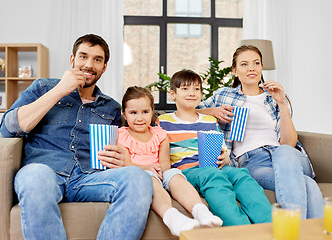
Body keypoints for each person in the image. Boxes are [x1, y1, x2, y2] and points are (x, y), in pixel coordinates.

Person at [0, 34, 153, 240]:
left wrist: (125, 160)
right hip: (46, 172)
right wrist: (61, 90)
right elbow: (8, 128)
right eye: (83, 57)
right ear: (72, 60)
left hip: (89, 178)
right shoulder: (43, 88)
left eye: (97, 60)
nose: (89, 64)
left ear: (104, 67)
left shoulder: (113, 108)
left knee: (138, 178)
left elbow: (135, 137)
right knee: (33, 176)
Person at [197, 45, 323, 219]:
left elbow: (288, 143)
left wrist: (282, 103)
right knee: (307, 184)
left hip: (287, 156)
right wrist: (213, 111)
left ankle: (291, 231)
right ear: (235, 71)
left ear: (262, 67)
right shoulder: (223, 95)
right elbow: (188, 111)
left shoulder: (274, 97)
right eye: (244, 64)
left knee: (285, 151)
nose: (251, 68)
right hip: (253, 161)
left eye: (256, 63)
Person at [157, 69, 272, 226]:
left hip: (214, 167)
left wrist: (225, 156)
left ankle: (269, 225)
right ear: (173, 94)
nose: (192, 93)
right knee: (212, 177)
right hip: (186, 172)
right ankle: (240, 229)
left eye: (196, 89)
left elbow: (221, 147)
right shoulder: (163, 121)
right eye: (185, 88)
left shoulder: (210, 120)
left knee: (242, 176)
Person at [117, 86, 223, 236]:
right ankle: (172, 217)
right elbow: (125, 163)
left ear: (152, 111)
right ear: (124, 114)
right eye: (133, 113)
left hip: (161, 172)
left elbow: (165, 161)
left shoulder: (160, 134)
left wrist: (163, 170)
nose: (140, 118)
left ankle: (201, 211)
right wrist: (147, 168)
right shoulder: (122, 135)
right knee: (149, 178)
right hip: (141, 173)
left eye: (145, 112)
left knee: (175, 174)